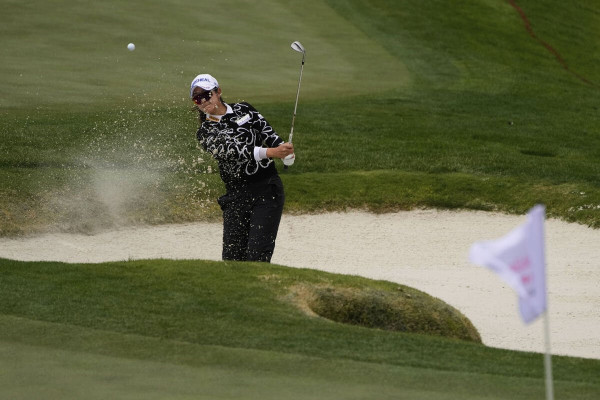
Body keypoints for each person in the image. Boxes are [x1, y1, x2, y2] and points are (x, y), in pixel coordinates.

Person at [190, 74, 294, 262]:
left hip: (266, 191)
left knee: (257, 256)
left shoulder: (244, 109)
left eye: (207, 95)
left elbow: (267, 132)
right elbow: (234, 150)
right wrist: (271, 152)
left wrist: (284, 150)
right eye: (197, 98)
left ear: (218, 92)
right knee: (232, 260)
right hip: (236, 196)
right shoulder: (205, 132)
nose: (203, 101)